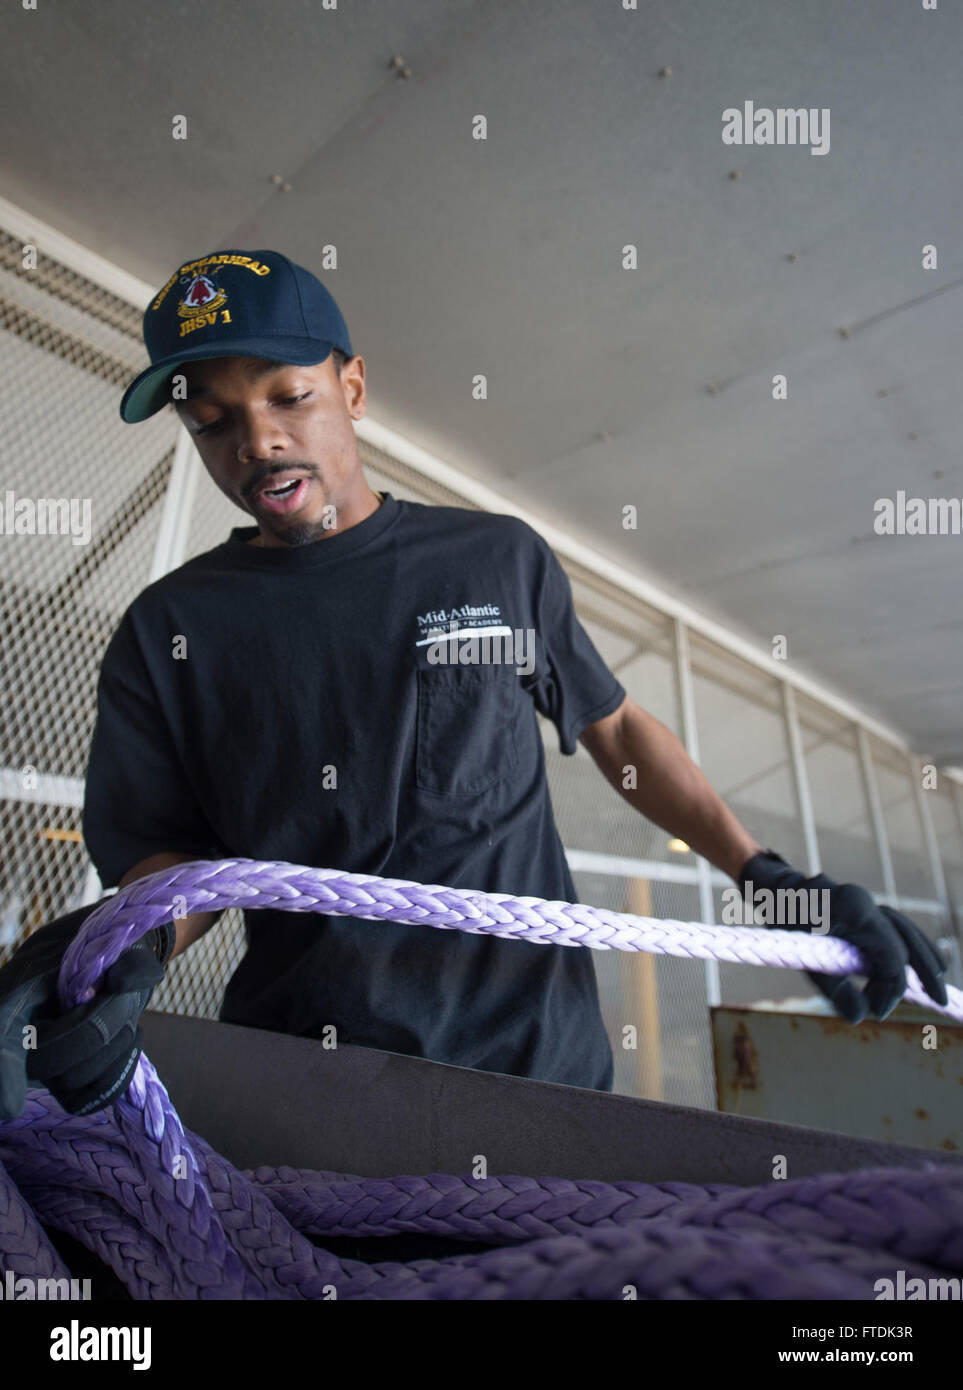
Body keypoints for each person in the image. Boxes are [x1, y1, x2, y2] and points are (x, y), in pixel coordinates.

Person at [0, 249, 948, 1121]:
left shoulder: (494, 562)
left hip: (542, 1071)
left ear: (354, 386)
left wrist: (770, 882)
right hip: (304, 1081)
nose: (257, 441)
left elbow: (617, 738)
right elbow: (176, 862)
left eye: (289, 396)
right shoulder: (170, 630)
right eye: (212, 421)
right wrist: (122, 951)